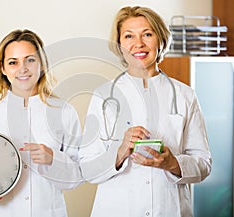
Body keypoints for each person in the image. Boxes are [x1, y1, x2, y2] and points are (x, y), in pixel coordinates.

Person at [79, 6, 212, 217]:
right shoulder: (104, 96)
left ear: (160, 39)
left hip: (169, 209)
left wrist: (173, 163)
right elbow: (87, 168)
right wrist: (120, 151)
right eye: (129, 36)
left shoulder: (185, 95)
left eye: (147, 34)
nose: (138, 44)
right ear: (120, 44)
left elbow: (204, 163)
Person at [0, 29, 82, 217]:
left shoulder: (64, 111)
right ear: (3, 68)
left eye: (30, 60)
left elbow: (78, 176)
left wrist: (53, 159)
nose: (22, 69)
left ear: (42, 64)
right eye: (13, 62)